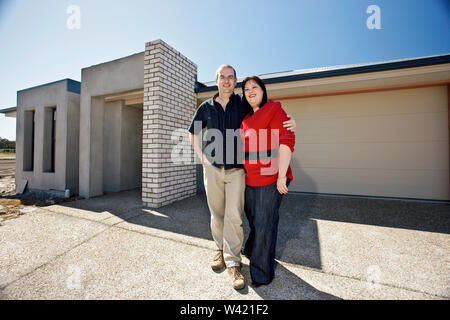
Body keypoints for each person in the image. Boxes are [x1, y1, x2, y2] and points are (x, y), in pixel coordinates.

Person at [188, 65, 296, 290]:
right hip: (213, 169)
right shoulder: (206, 107)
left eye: (230, 77)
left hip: (238, 171)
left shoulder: (242, 104)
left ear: (235, 80)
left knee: (234, 217)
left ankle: (233, 263)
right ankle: (219, 249)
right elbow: (193, 133)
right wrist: (202, 159)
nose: (226, 81)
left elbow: (267, 109)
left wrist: (290, 120)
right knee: (216, 214)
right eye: (222, 77)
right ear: (216, 80)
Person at [240, 75, 295, 286]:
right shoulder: (245, 120)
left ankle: (262, 274)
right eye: (246, 89)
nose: (251, 91)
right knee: (255, 221)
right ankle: (252, 249)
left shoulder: (274, 109)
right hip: (249, 179)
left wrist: (281, 175)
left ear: (263, 91)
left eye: (255, 87)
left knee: (265, 224)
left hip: (271, 178)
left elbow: (286, 141)